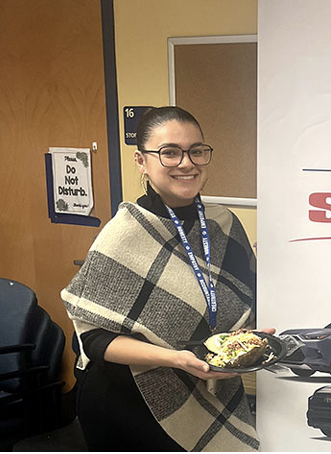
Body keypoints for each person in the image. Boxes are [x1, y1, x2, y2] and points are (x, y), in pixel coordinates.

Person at [62, 106, 268, 452]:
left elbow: (247, 302)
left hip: (208, 389)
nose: (186, 163)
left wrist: (248, 339)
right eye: (169, 152)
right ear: (141, 161)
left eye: (196, 151)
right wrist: (175, 358)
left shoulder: (224, 226)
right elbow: (93, 340)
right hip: (127, 405)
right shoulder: (122, 235)